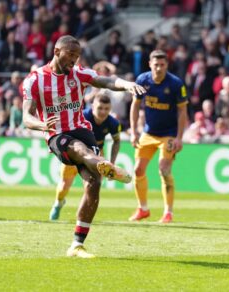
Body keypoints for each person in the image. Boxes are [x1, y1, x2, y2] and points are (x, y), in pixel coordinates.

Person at [22, 35, 145, 258]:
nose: (74, 60)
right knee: (79, 149)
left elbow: (106, 81)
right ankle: (107, 166)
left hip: (81, 129)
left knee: (93, 184)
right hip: (56, 134)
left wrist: (127, 85)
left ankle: (77, 245)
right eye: (70, 55)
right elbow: (26, 117)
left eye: (77, 56)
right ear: (57, 51)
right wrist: (42, 125)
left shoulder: (79, 74)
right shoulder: (35, 79)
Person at [129, 49, 188, 223]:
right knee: (138, 169)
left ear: (167, 65)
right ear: (150, 64)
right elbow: (135, 105)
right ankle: (143, 209)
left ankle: (168, 212)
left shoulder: (176, 84)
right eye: (156, 65)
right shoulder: (142, 80)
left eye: (162, 65)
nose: (159, 68)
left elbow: (182, 110)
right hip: (148, 132)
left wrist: (179, 137)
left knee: (164, 169)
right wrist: (134, 131)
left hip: (168, 134)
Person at [49, 92, 121, 221]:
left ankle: (82, 216)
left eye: (106, 109)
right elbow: (65, 129)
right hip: (75, 153)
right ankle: (58, 203)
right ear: (93, 106)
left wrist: (112, 162)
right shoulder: (81, 116)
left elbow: (117, 141)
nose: (103, 112)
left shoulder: (113, 123)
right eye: (100, 108)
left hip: (95, 155)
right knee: (64, 186)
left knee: (92, 185)